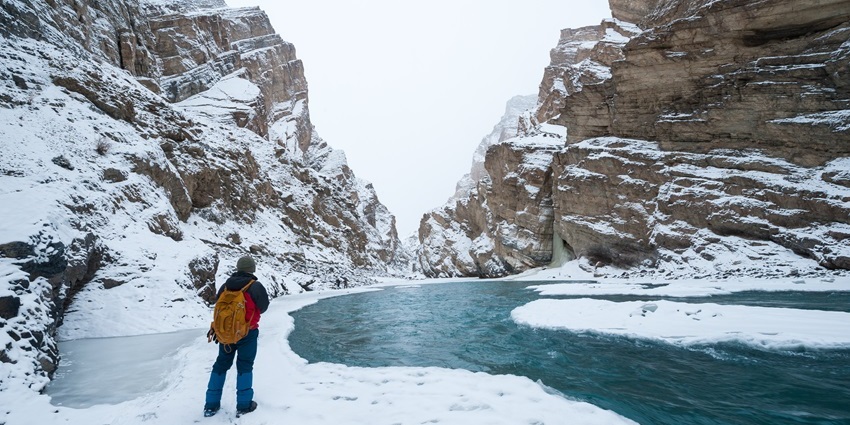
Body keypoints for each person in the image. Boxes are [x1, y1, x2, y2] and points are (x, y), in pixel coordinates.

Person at [203, 256, 270, 417]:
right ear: (252, 269)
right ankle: (244, 405)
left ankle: (211, 405)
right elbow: (264, 307)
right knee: (245, 365)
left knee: (221, 365)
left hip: (225, 333)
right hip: (248, 332)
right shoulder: (255, 286)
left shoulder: (226, 286)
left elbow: (217, 303)